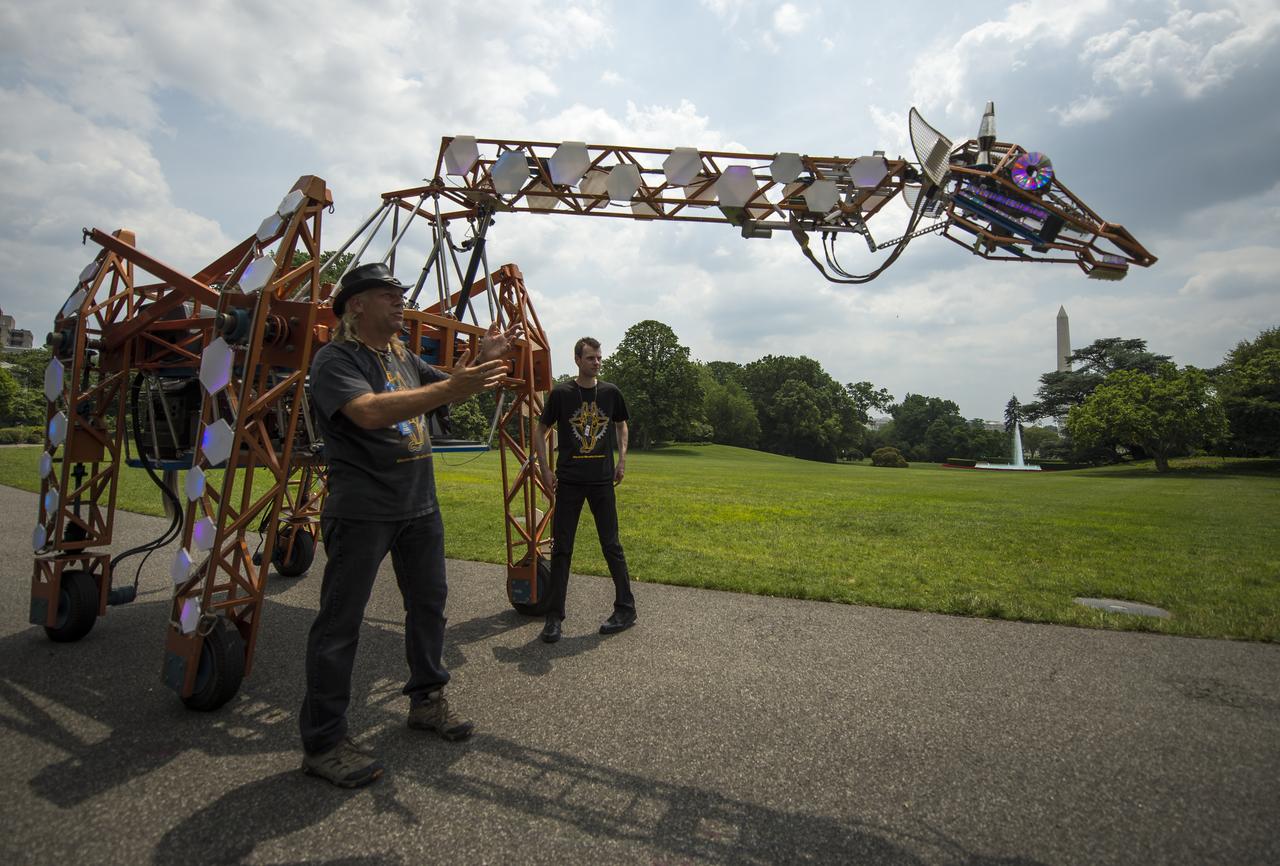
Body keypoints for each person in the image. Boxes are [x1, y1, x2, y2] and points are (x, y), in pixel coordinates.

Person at [299, 261, 517, 788]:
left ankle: (427, 701)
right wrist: (452, 385)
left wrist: (479, 362)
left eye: (401, 295)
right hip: (362, 510)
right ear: (356, 304)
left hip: (419, 506)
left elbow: (449, 389)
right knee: (339, 625)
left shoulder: (400, 355)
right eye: (389, 295)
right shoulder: (335, 360)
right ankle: (324, 742)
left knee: (429, 607)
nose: (402, 302)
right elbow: (370, 412)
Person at [532, 337, 636, 643]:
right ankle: (554, 618)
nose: (597, 362)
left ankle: (626, 609)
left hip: (602, 481)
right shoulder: (562, 394)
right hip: (570, 481)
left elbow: (621, 424)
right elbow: (540, 430)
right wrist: (545, 468)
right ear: (578, 360)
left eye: (599, 358)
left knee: (611, 545)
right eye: (591, 358)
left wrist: (622, 460)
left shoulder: (610, 392)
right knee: (562, 549)